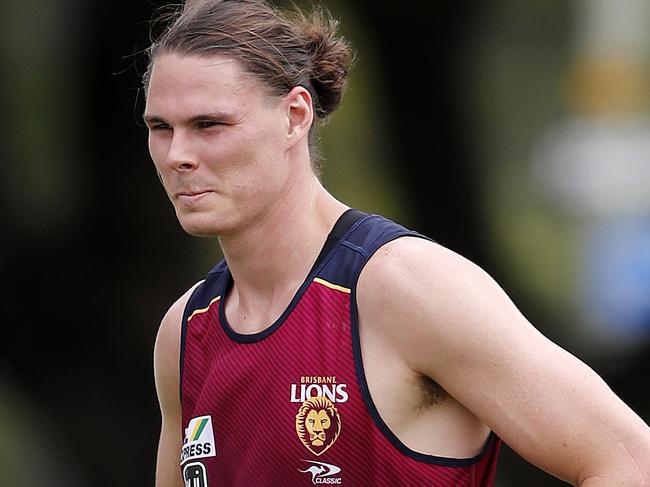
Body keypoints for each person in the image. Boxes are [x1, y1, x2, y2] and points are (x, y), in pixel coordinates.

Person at [143, 1, 650, 485]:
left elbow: (631, 462)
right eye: (160, 128)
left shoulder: (407, 288)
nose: (177, 154)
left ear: (295, 116)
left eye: (209, 125)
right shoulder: (185, 333)